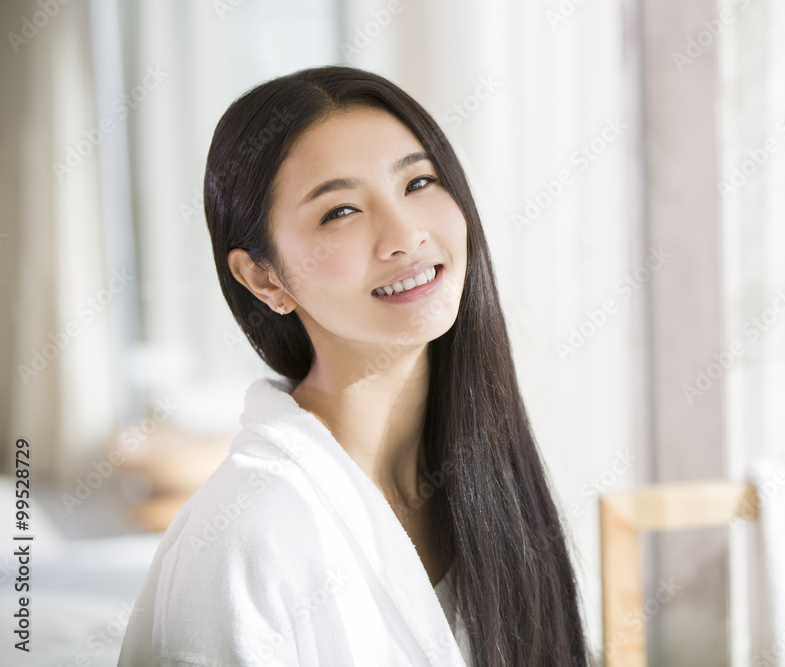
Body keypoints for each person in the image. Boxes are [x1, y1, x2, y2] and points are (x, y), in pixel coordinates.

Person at [118, 65, 592, 666]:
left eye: (418, 183)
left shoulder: (489, 479)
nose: (404, 235)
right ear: (264, 278)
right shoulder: (247, 535)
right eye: (340, 211)